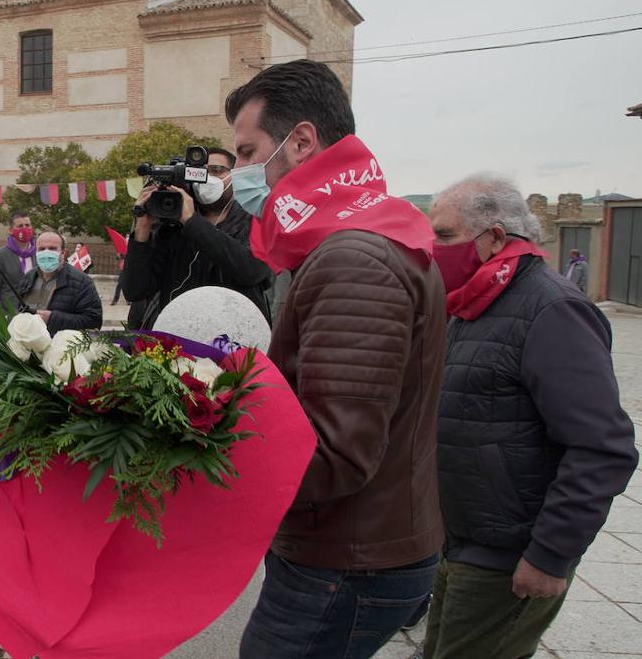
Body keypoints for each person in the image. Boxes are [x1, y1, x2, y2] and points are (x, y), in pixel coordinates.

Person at [226, 60, 447, 658]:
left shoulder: (353, 258)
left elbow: (336, 453)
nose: (240, 174)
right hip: (358, 545)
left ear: (301, 141)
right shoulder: (370, 231)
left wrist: (203, 460)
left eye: (248, 154)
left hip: (346, 560)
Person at [422, 175, 637, 659]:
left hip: (509, 554)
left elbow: (602, 448)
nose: (435, 250)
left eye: (446, 236)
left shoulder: (553, 309)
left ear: (496, 236)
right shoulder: (474, 303)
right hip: (461, 540)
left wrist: (549, 555)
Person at [120, 147, 273, 329]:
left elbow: (251, 270)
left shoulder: (255, 216)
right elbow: (135, 290)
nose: (208, 179)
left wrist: (192, 221)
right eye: (201, 173)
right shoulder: (171, 226)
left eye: (217, 171)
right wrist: (143, 228)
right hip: (178, 337)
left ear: (235, 177)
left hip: (236, 336)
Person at [17, 230, 103, 334]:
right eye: (41, 249)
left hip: (59, 347)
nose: (46, 252)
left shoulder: (82, 282)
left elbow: (93, 322)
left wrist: (52, 319)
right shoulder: (28, 278)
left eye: (52, 248)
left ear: (63, 253)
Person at [0, 212, 36, 314]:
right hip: (10, 316)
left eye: (27, 225)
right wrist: (1, 316)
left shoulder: (38, 254)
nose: (25, 228)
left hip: (35, 315)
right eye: (20, 226)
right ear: (11, 230)